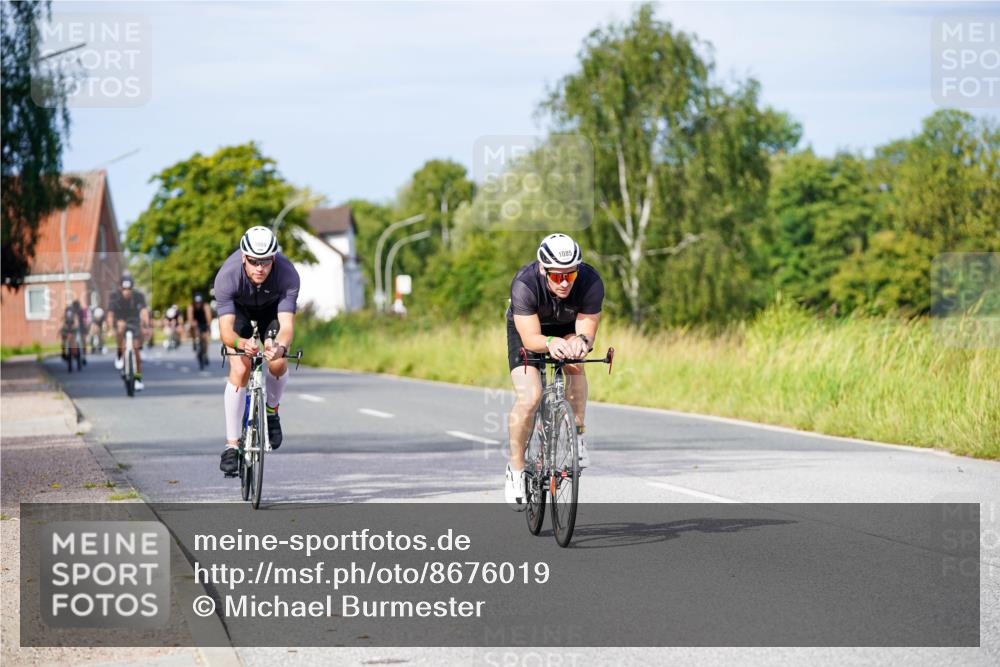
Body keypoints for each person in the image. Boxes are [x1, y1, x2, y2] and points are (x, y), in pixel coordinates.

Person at [504, 233, 604, 511]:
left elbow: (587, 333)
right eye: (557, 276)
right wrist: (549, 343)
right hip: (529, 331)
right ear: (543, 270)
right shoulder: (525, 284)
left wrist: (580, 343)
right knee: (531, 396)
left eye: (569, 276)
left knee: (575, 363)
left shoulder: (591, 282)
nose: (563, 283)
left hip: (567, 327)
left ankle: (578, 433)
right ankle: (516, 469)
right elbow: (530, 338)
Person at [213, 226, 300, 476]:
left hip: (271, 310)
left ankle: (272, 411)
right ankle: (231, 446)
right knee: (240, 367)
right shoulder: (227, 276)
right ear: (243, 257)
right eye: (253, 261)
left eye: (265, 261)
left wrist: (280, 347)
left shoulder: (287, 274)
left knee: (277, 361)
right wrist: (242, 344)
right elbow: (226, 331)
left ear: (274, 258)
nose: (259, 268)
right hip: (240, 310)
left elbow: (287, 326)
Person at [108, 274, 151, 391]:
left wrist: (146, 326)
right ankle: (119, 355)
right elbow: (110, 315)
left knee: (136, 349)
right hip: (120, 321)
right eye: (124, 289)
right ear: (120, 289)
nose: (127, 292)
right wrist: (110, 328)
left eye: (129, 289)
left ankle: (137, 378)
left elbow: (144, 312)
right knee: (121, 328)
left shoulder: (139, 296)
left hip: (134, 321)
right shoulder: (114, 297)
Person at [187, 293, 213, 363]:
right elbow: (190, 319)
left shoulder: (206, 306)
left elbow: (209, 317)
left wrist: (208, 325)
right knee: (193, 329)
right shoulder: (191, 307)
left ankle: (205, 354)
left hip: (204, 323)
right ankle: (194, 341)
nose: (198, 304)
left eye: (199, 303)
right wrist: (193, 323)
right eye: (196, 303)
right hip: (195, 323)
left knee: (206, 338)